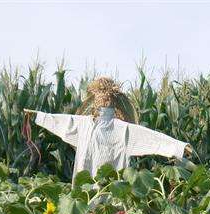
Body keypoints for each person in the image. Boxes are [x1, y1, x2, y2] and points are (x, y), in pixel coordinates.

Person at [25, 77, 191, 182]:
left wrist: (179, 147)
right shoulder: (84, 124)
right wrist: (38, 116)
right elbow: (59, 121)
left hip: (109, 193)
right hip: (89, 193)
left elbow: (152, 138)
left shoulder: (122, 129)